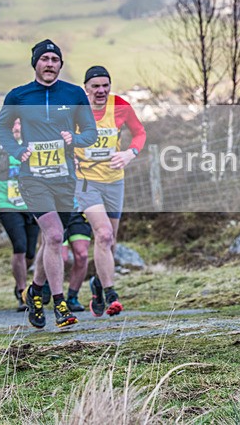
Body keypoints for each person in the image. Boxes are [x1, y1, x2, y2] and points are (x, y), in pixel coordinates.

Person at [0, 39, 98, 328]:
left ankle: (34, 292)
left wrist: (75, 140)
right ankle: (60, 304)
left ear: (60, 64)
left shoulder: (74, 94)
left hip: (64, 180)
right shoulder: (19, 96)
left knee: (50, 242)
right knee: (53, 237)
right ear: (36, 63)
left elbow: (90, 131)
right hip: (33, 178)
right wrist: (16, 151)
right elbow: (1, 127)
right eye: (45, 59)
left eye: (55, 59)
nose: (50, 63)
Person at [75, 65, 145, 317]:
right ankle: (111, 293)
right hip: (85, 180)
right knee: (103, 235)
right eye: (95, 86)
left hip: (114, 180)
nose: (101, 90)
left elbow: (139, 133)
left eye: (105, 85)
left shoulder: (120, 106)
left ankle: (97, 282)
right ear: (86, 88)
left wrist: (129, 153)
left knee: (110, 241)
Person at [0, 119, 40, 311]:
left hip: (33, 203)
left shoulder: (34, 143)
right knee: (19, 247)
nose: (17, 127)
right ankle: (22, 292)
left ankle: (19, 283)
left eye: (20, 123)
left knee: (30, 252)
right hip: (7, 204)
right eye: (13, 124)